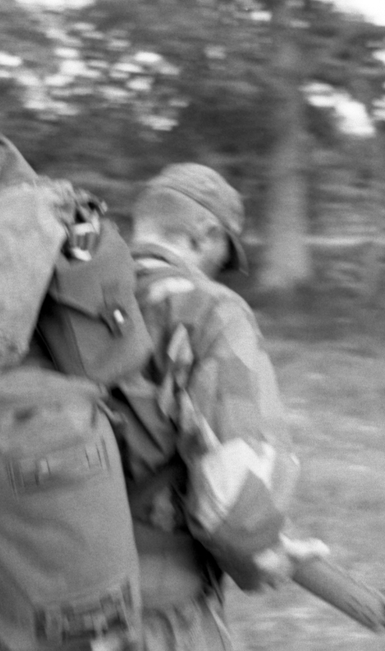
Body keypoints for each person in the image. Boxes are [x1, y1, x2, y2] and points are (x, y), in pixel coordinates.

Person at [108, 163, 326, 651]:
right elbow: (237, 504)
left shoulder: (69, 298)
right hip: (150, 618)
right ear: (204, 234)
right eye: (223, 256)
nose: (216, 273)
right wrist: (265, 559)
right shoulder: (209, 311)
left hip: (24, 600)